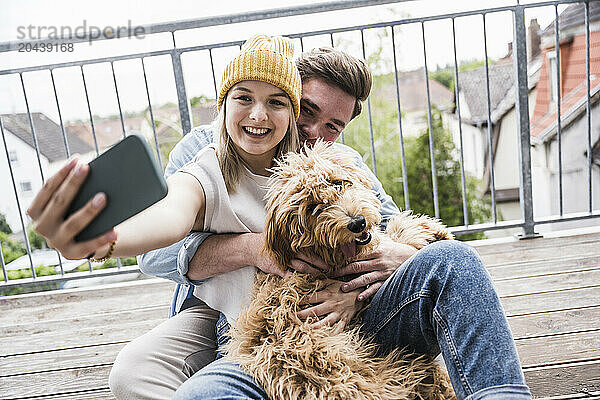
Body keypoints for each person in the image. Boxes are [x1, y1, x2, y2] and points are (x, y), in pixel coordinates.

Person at [29, 37, 532, 400]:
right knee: (143, 377)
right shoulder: (205, 158)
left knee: (455, 263)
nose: (311, 131)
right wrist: (104, 239)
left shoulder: (336, 160)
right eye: (307, 110)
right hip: (242, 326)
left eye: (329, 124)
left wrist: (374, 270)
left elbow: (394, 231)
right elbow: (168, 226)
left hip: (342, 311)